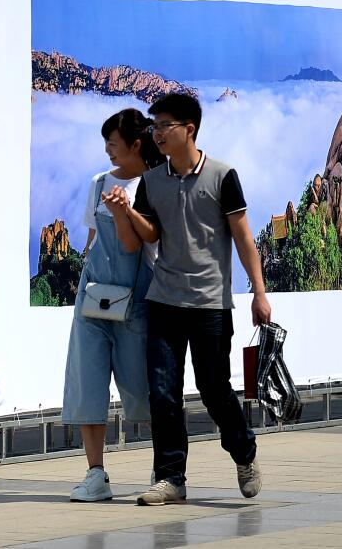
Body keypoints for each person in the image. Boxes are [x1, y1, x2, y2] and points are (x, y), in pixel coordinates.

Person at [111, 92, 271, 506]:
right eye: (155, 126)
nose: (157, 133)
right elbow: (151, 234)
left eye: (164, 125)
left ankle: (244, 451)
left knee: (214, 389)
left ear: (189, 129)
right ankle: (170, 478)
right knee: (163, 392)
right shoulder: (152, 181)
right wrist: (127, 211)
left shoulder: (222, 176)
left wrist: (259, 292)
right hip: (164, 299)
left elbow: (243, 237)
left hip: (210, 303)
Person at [64, 108, 164, 502]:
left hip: (135, 300)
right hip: (93, 298)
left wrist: (124, 211)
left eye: (113, 143)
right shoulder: (97, 184)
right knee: (87, 382)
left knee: (142, 387)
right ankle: (95, 474)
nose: (108, 150)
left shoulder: (152, 186)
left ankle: (164, 467)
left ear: (136, 145)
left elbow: (131, 245)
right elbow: (93, 241)